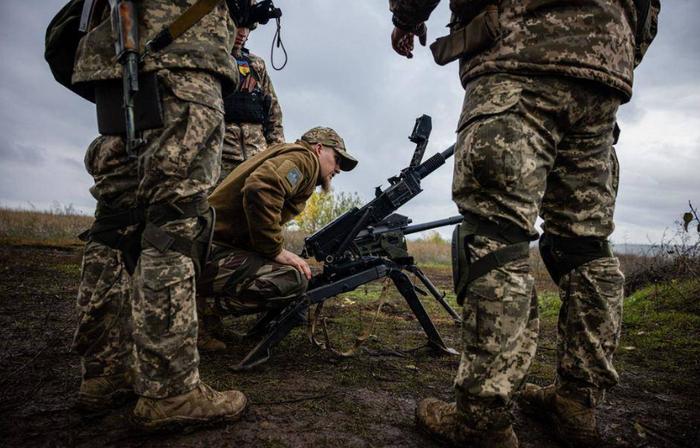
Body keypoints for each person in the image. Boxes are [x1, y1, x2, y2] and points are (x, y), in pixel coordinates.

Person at [388, 0, 659, 446]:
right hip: (602, 79)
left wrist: (406, 19)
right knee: (584, 247)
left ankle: (481, 419)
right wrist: (610, 47)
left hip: (518, 60)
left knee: (495, 235)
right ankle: (577, 404)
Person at [70, 0, 249, 431]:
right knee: (174, 223)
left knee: (115, 222)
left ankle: (104, 373)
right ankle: (170, 391)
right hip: (182, 54)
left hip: (115, 54)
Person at [196, 127, 357, 338]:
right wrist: (274, 250)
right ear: (318, 149)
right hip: (205, 254)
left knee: (291, 267)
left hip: (204, 249)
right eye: (337, 159)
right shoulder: (304, 159)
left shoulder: (288, 154)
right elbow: (261, 188)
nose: (338, 169)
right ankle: (196, 309)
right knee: (292, 278)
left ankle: (205, 323)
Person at [219, 25, 285, 183]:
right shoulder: (213, 60)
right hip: (222, 156)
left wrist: (277, 154)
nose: (242, 33)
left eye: (247, 29)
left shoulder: (256, 65)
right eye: (238, 27)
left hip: (257, 157)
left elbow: (273, 112)